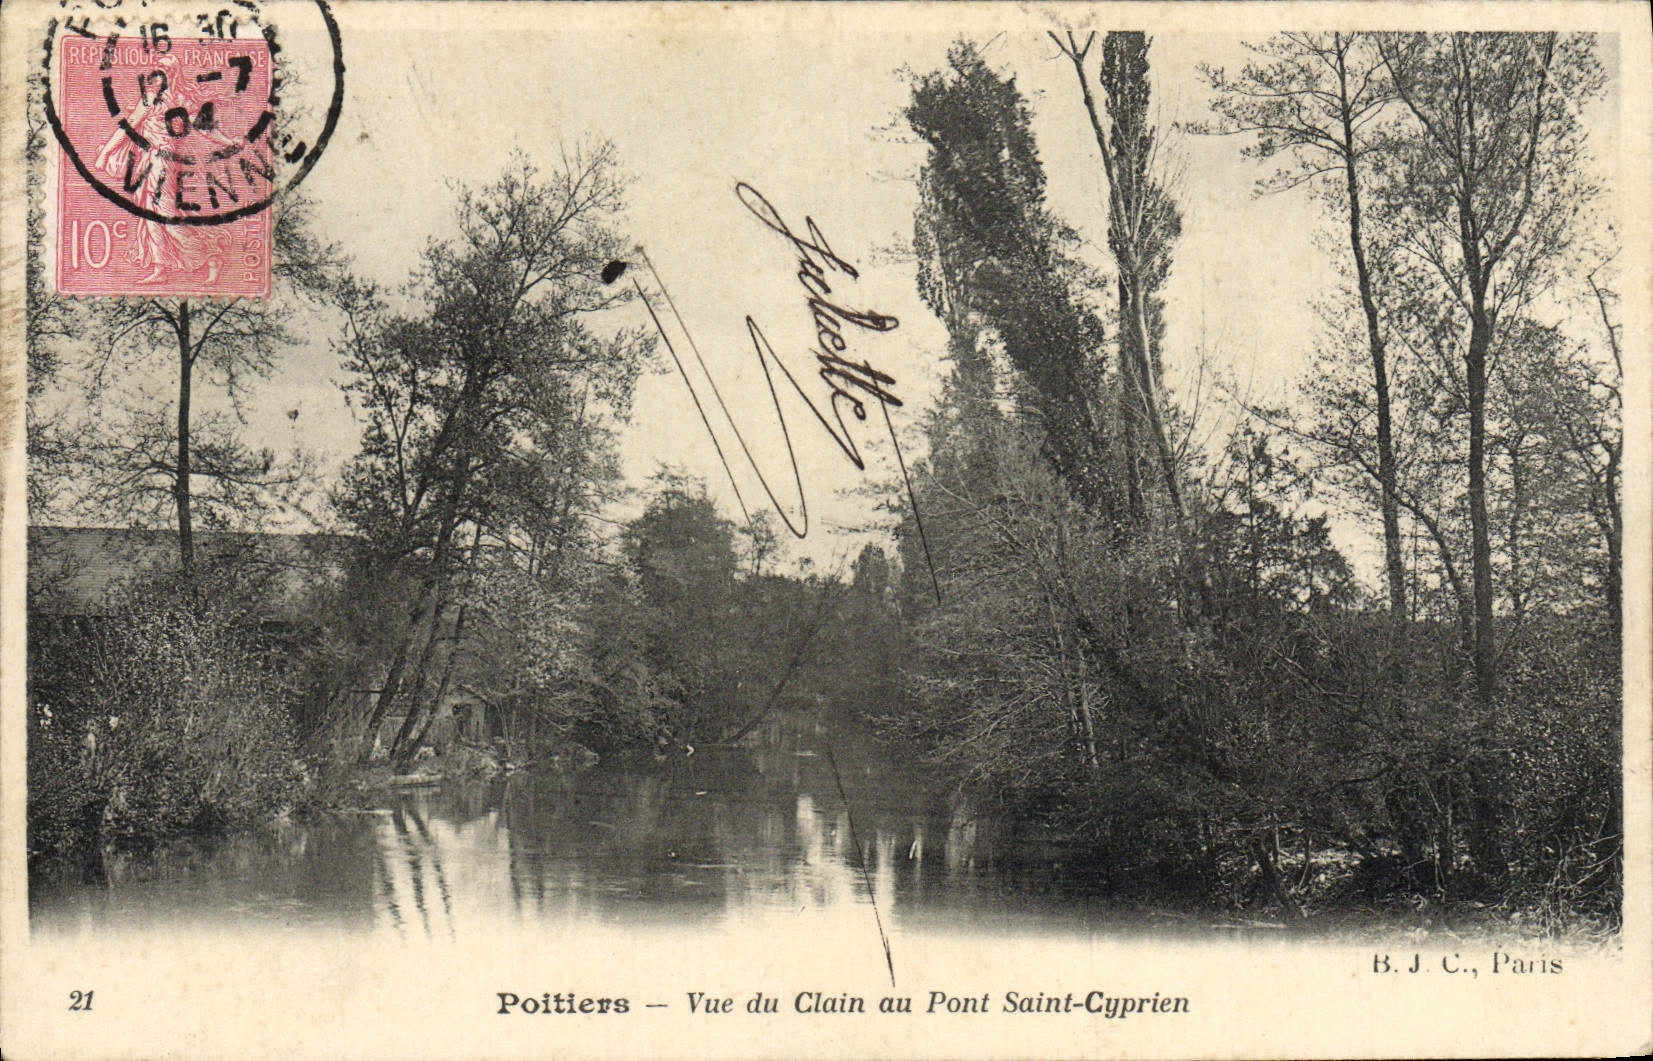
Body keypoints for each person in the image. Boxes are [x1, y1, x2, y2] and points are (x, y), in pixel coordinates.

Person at [92, 53, 236, 284]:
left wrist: (230, 142)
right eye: (156, 69)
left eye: (162, 69)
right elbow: (128, 127)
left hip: (164, 161)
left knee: (166, 214)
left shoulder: (179, 100)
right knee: (150, 216)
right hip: (148, 161)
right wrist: (107, 151)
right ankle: (161, 268)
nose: (157, 74)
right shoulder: (152, 99)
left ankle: (211, 257)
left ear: (172, 74)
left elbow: (205, 129)